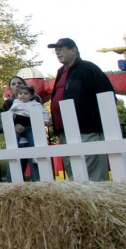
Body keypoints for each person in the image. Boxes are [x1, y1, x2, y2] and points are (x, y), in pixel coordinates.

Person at [48, 37, 115, 181]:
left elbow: (106, 96)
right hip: (65, 130)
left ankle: (97, 202)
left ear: (74, 50)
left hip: (87, 129)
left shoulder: (88, 68)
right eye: (56, 51)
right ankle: (79, 203)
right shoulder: (61, 72)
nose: (58, 53)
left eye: (61, 49)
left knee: (92, 172)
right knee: (73, 170)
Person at [8, 84, 49, 181]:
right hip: (18, 128)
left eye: (25, 94)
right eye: (20, 93)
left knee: (33, 139)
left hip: (31, 127)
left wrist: (46, 120)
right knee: (14, 138)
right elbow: (10, 114)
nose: (22, 95)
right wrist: (13, 120)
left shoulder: (35, 104)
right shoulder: (15, 103)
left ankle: (35, 155)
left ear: (31, 96)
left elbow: (43, 113)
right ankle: (13, 152)